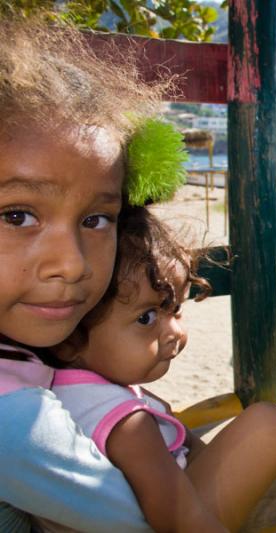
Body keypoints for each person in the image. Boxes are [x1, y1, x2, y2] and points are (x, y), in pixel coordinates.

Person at [0, 15, 169, 531]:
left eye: (96, 220)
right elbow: (144, 520)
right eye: (17, 216)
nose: (72, 263)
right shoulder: (13, 423)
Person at [43, 206, 276, 532]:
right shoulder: (124, 423)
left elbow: (190, 448)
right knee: (269, 424)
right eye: (146, 317)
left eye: (176, 308)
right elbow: (179, 521)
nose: (174, 332)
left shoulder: (72, 391)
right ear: (68, 336)